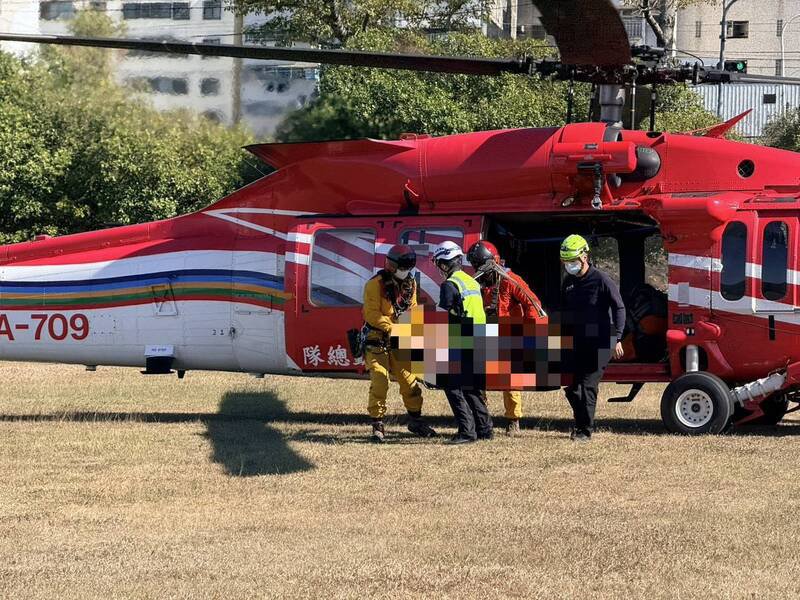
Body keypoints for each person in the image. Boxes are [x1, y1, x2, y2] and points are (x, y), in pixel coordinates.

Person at [467, 240, 545, 437]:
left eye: (480, 264)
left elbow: (532, 303)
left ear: (493, 261)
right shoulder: (475, 282)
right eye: (475, 264)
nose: (477, 268)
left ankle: (513, 420)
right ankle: (482, 418)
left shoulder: (511, 280)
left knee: (510, 381)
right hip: (483, 334)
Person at [363, 244, 437, 443]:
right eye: (389, 262)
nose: (388, 266)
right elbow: (371, 314)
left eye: (393, 264)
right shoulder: (374, 284)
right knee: (380, 381)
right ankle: (377, 424)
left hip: (401, 339)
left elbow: (413, 310)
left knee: (410, 382)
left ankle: (416, 421)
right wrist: (392, 328)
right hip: (376, 340)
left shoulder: (410, 284)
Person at [559, 234, 626, 442]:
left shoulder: (602, 280)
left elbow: (619, 308)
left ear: (584, 257)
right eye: (565, 262)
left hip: (602, 342)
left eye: (572, 261)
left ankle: (584, 431)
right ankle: (580, 424)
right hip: (578, 342)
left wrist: (617, 338)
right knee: (573, 388)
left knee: (588, 385)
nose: (569, 266)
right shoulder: (568, 282)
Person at [432, 240, 494, 445]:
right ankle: (485, 429)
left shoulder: (449, 285)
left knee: (452, 386)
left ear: (443, 264)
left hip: (463, 338)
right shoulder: (471, 282)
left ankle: (467, 432)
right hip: (481, 337)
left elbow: (443, 317)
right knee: (472, 387)